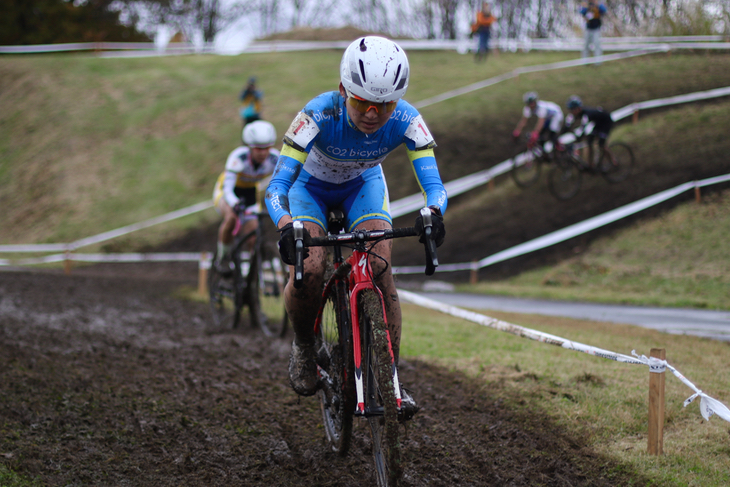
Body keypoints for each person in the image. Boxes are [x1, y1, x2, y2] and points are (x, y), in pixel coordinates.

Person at [265, 36, 447, 410]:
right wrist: (286, 224)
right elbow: (277, 187)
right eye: (362, 102)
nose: (373, 114)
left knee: (381, 267)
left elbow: (435, 188)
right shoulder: (317, 114)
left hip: (362, 186)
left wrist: (434, 212)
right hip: (307, 190)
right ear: (342, 90)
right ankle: (304, 346)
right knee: (309, 270)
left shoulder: (407, 119)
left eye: (384, 105)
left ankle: (389, 376)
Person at [213, 120, 279, 274]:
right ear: (250, 147)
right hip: (228, 192)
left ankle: (251, 273)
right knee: (231, 218)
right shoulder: (238, 157)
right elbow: (228, 189)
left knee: (253, 233)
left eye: (266, 148)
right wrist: (235, 203)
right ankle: (222, 258)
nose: (263, 153)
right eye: (258, 148)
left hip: (250, 193)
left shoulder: (275, 159)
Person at [564, 95, 614, 169]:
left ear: (578, 109)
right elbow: (567, 126)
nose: (571, 112)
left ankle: (613, 161)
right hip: (597, 123)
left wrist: (578, 137)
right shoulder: (573, 115)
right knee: (589, 142)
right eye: (570, 110)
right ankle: (591, 164)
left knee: (601, 144)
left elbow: (584, 128)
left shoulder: (586, 115)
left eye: (572, 110)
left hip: (606, 122)